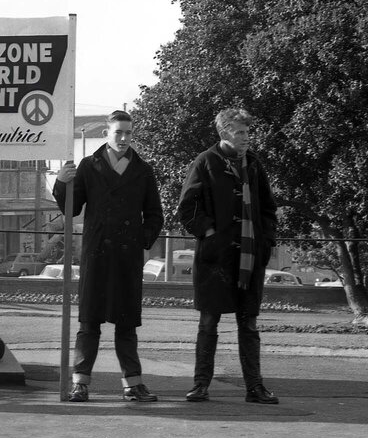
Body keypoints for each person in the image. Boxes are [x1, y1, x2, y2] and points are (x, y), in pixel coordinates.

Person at [53, 110, 163, 402]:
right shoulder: (89, 167)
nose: (124, 138)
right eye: (119, 133)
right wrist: (62, 182)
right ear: (107, 134)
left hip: (127, 257)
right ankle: (80, 383)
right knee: (89, 322)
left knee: (126, 324)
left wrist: (141, 240)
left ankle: (133, 384)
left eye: (128, 133)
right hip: (97, 253)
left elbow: (154, 214)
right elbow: (71, 209)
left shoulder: (143, 170)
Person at [177, 108, 279, 404]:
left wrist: (266, 241)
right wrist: (209, 233)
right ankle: (200, 385)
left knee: (249, 323)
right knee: (209, 321)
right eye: (240, 132)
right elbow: (187, 208)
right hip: (215, 260)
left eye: (248, 132)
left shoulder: (255, 165)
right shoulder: (205, 162)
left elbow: (268, 209)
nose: (247, 138)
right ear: (224, 134)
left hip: (249, 259)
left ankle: (255, 387)